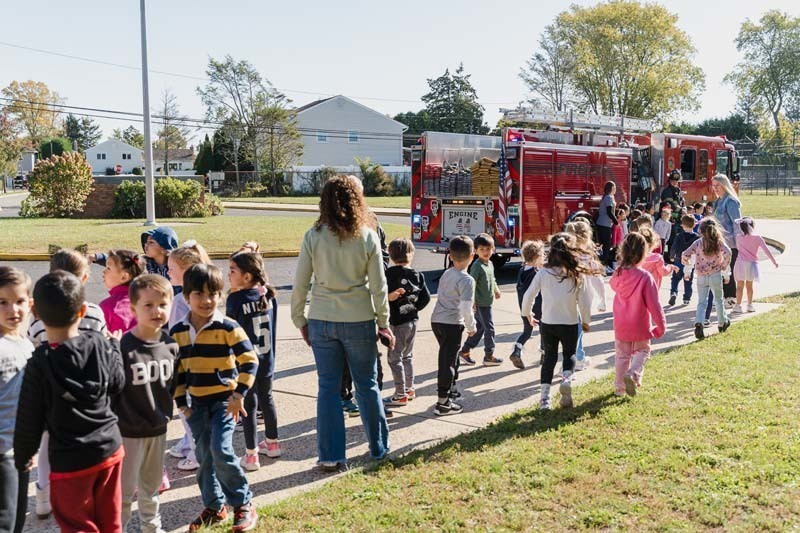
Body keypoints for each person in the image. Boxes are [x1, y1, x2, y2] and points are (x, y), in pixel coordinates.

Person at [290, 176, 392, 472]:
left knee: (328, 389)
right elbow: (379, 286)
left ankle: (330, 455)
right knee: (367, 386)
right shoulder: (367, 235)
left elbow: (300, 284)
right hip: (359, 319)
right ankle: (378, 447)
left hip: (322, 319)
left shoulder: (314, 235)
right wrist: (383, 322)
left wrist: (299, 318)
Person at [14, 271, 125, 532]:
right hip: (110, 448)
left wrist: (23, 455)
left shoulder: (40, 362)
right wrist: (116, 348)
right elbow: (118, 382)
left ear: (35, 313)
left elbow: (30, 415)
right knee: (111, 520)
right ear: (83, 311)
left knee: (77, 524)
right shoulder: (100, 343)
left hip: (70, 461)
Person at [171, 263, 259, 531]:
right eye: (198, 294)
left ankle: (243, 503)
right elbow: (177, 373)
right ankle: (214, 507)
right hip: (196, 406)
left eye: (213, 293)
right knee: (204, 457)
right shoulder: (178, 332)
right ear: (186, 297)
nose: (207, 300)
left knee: (221, 450)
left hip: (224, 403)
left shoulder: (228, 327)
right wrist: (181, 405)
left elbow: (250, 361)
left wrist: (238, 394)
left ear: (221, 295)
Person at [27, 249, 109, 519]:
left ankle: (42, 496)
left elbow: (33, 353)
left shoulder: (39, 322)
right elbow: (104, 348)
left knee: (47, 446)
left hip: (51, 394)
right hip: (87, 392)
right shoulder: (94, 313)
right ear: (84, 278)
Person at [115, 275, 179, 532]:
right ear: (134, 309)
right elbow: (113, 390)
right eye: (148, 305)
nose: (157, 311)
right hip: (128, 431)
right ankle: (117, 526)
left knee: (151, 487)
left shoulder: (171, 345)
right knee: (124, 490)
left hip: (158, 428)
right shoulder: (124, 347)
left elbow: (173, 385)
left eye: (162, 304)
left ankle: (151, 527)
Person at [521, 233, 592, 410]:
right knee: (569, 354)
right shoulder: (575, 273)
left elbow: (529, 295)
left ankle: (544, 399)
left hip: (548, 323)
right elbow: (585, 300)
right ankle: (566, 379)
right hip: (569, 322)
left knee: (549, 358)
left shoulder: (543, 273)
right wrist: (586, 320)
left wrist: (527, 313)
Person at [227, 250, 281, 472]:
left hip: (245, 363)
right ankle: (273, 442)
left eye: (232, 271)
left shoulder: (236, 299)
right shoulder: (269, 296)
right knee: (267, 398)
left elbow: (230, 331)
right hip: (267, 358)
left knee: (248, 405)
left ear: (247, 276)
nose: (228, 275)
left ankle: (251, 455)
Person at [165, 240, 211, 472]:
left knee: (188, 412)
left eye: (172, 268)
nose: (167, 271)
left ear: (186, 271)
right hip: (204, 362)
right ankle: (188, 443)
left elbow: (176, 335)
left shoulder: (179, 301)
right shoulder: (203, 296)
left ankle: (196, 453)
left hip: (188, 366)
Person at [609, 233, 667, 396]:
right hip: (640, 323)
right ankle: (633, 373)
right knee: (643, 351)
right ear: (644, 253)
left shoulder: (618, 273)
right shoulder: (645, 277)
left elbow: (613, 286)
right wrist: (661, 326)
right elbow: (654, 305)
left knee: (622, 356)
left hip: (621, 323)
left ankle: (619, 388)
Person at [0, 267, 33, 533]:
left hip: (19, 448)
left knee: (17, 519)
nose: (14, 310)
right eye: (3, 302)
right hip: (2, 452)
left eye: (19, 301)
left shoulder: (24, 343)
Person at [430, 236, 477, 415]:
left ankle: (452, 390)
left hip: (437, 320)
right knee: (448, 362)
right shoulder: (467, 280)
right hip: (452, 323)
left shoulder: (447, 273)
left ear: (450, 255)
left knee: (452, 356)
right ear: (472, 256)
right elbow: (465, 307)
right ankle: (443, 403)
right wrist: (471, 327)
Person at [384, 238, 430, 407]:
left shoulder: (388, 275)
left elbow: (381, 295)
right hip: (412, 320)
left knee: (394, 358)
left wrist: (390, 299)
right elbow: (425, 298)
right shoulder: (418, 275)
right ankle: (409, 388)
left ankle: (400, 393)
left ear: (390, 255)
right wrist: (414, 307)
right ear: (411, 255)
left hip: (397, 323)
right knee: (407, 356)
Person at [564, 220, 605, 371]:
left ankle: (576, 356)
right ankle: (578, 358)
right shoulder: (587, 256)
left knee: (568, 327)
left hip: (563, 296)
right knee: (577, 328)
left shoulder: (564, 254)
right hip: (581, 297)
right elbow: (597, 279)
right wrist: (602, 299)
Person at [682, 218, 732, 340]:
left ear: (701, 230)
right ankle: (722, 322)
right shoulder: (719, 242)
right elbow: (728, 252)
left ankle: (699, 322)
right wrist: (724, 267)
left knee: (702, 301)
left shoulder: (698, 243)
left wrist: (687, 263)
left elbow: (685, 254)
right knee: (718, 300)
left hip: (701, 276)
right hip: (715, 274)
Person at [458, 233, 503, 367]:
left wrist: (496, 289)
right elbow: (472, 283)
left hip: (487, 302)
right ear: (475, 251)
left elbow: (492, 278)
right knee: (489, 329)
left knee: (481, 328)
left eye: (488, 249)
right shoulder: (477, 266)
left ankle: (465, 351)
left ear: (493, 249)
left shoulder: (490, 264)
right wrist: (473, 301)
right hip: (480, 304)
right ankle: (489, 355)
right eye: (482, 249)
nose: (485, 252)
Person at [92, 226, 179, 281]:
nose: (146, 245)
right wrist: (96, 257)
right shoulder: (144, 263)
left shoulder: (177, 265)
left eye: (151, 242)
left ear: (164, 248)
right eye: (146, 242)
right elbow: (121, 261)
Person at [509, 240, 544, 370]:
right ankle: (544, 355)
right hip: (537, 308)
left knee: (527, 332)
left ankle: (517, 350)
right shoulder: (535, 274)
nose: (544, 257)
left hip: (524, 308)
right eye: (542, 255)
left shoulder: (522, 270)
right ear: (536, 257)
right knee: (543, 330)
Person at [733, 217, 778, 313]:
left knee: (739, 286)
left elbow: (738, 248)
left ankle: (738, 305)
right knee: (750, 285)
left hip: (740, 263)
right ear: (752, 226)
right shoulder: (758, 238)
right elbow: (767, 251)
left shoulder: (738, 237)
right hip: (751, 264)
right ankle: (749, 305)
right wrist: (774, 262)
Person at [711, 174, 743, 307]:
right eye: (713, 186)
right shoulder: (718, 201)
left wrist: (739, 243)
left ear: (724, 185)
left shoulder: (730, 201)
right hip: (718, 241)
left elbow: (737, 224)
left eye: (717, 185)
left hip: (730, 243)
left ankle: (731, 297)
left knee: (728, 269)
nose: (715, 188)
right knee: (718, 269)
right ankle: (721, 296)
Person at [99, 249, 144, 335]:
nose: (104, 271)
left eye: (108, 268)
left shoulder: (108, 307)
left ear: (124, 277)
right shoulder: (147, 300)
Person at [668, 215, 701, 306]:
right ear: (694, 225)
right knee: (688, 280)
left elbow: (674, 247)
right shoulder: (697, 237)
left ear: (683, 225)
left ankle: (673, 292)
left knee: (675, 278)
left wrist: (671, 256)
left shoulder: (679, 236)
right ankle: (686, 298)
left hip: (678, 260)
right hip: (690, 262)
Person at [596, 181, 618, 268]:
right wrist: (616, 221)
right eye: (615, 187)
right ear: (612, 188)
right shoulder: (609, 197)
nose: (615, 189)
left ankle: (604, 263)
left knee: (605, 244)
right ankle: (604, 264)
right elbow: (609, 212)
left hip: (603, 223)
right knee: (606, 245)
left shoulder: (608, 197)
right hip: (605, 224)